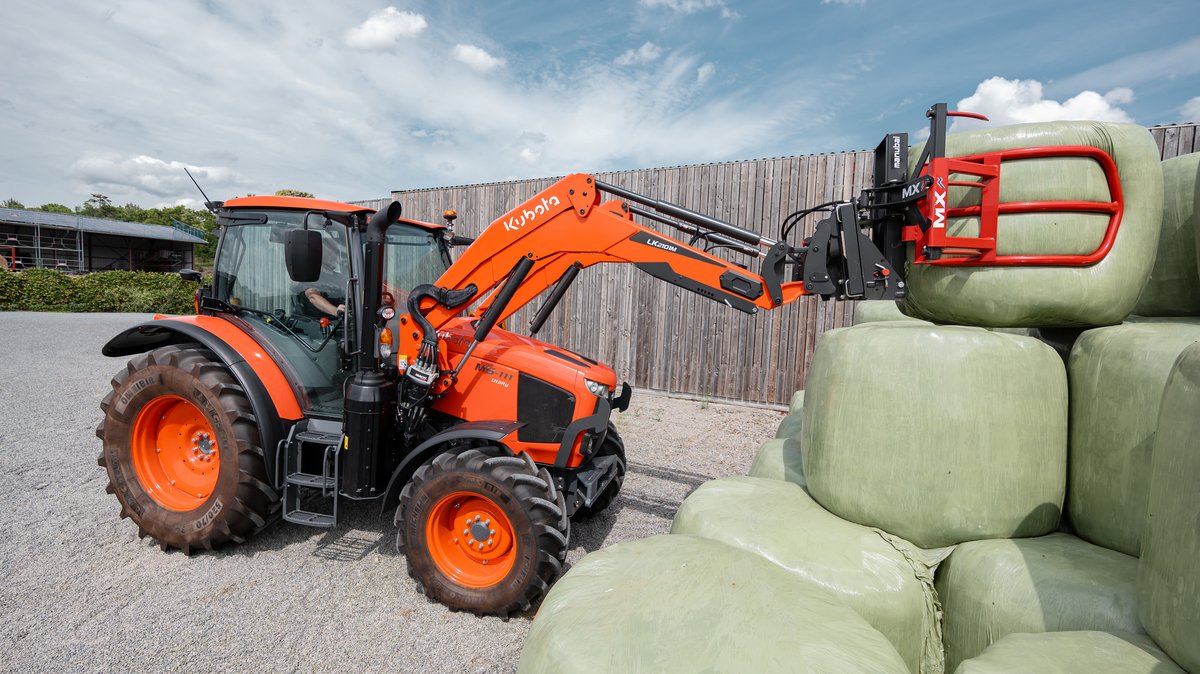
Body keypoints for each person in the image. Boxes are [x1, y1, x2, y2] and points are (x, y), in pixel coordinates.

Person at [302, 234, 348, 317]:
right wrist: (336, 311)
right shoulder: (311, 277)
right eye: (331, 252)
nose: (335, 256)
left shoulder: (343, 277)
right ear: (319, 254)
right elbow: (313, 296)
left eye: (337, 252)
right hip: (325, 326)